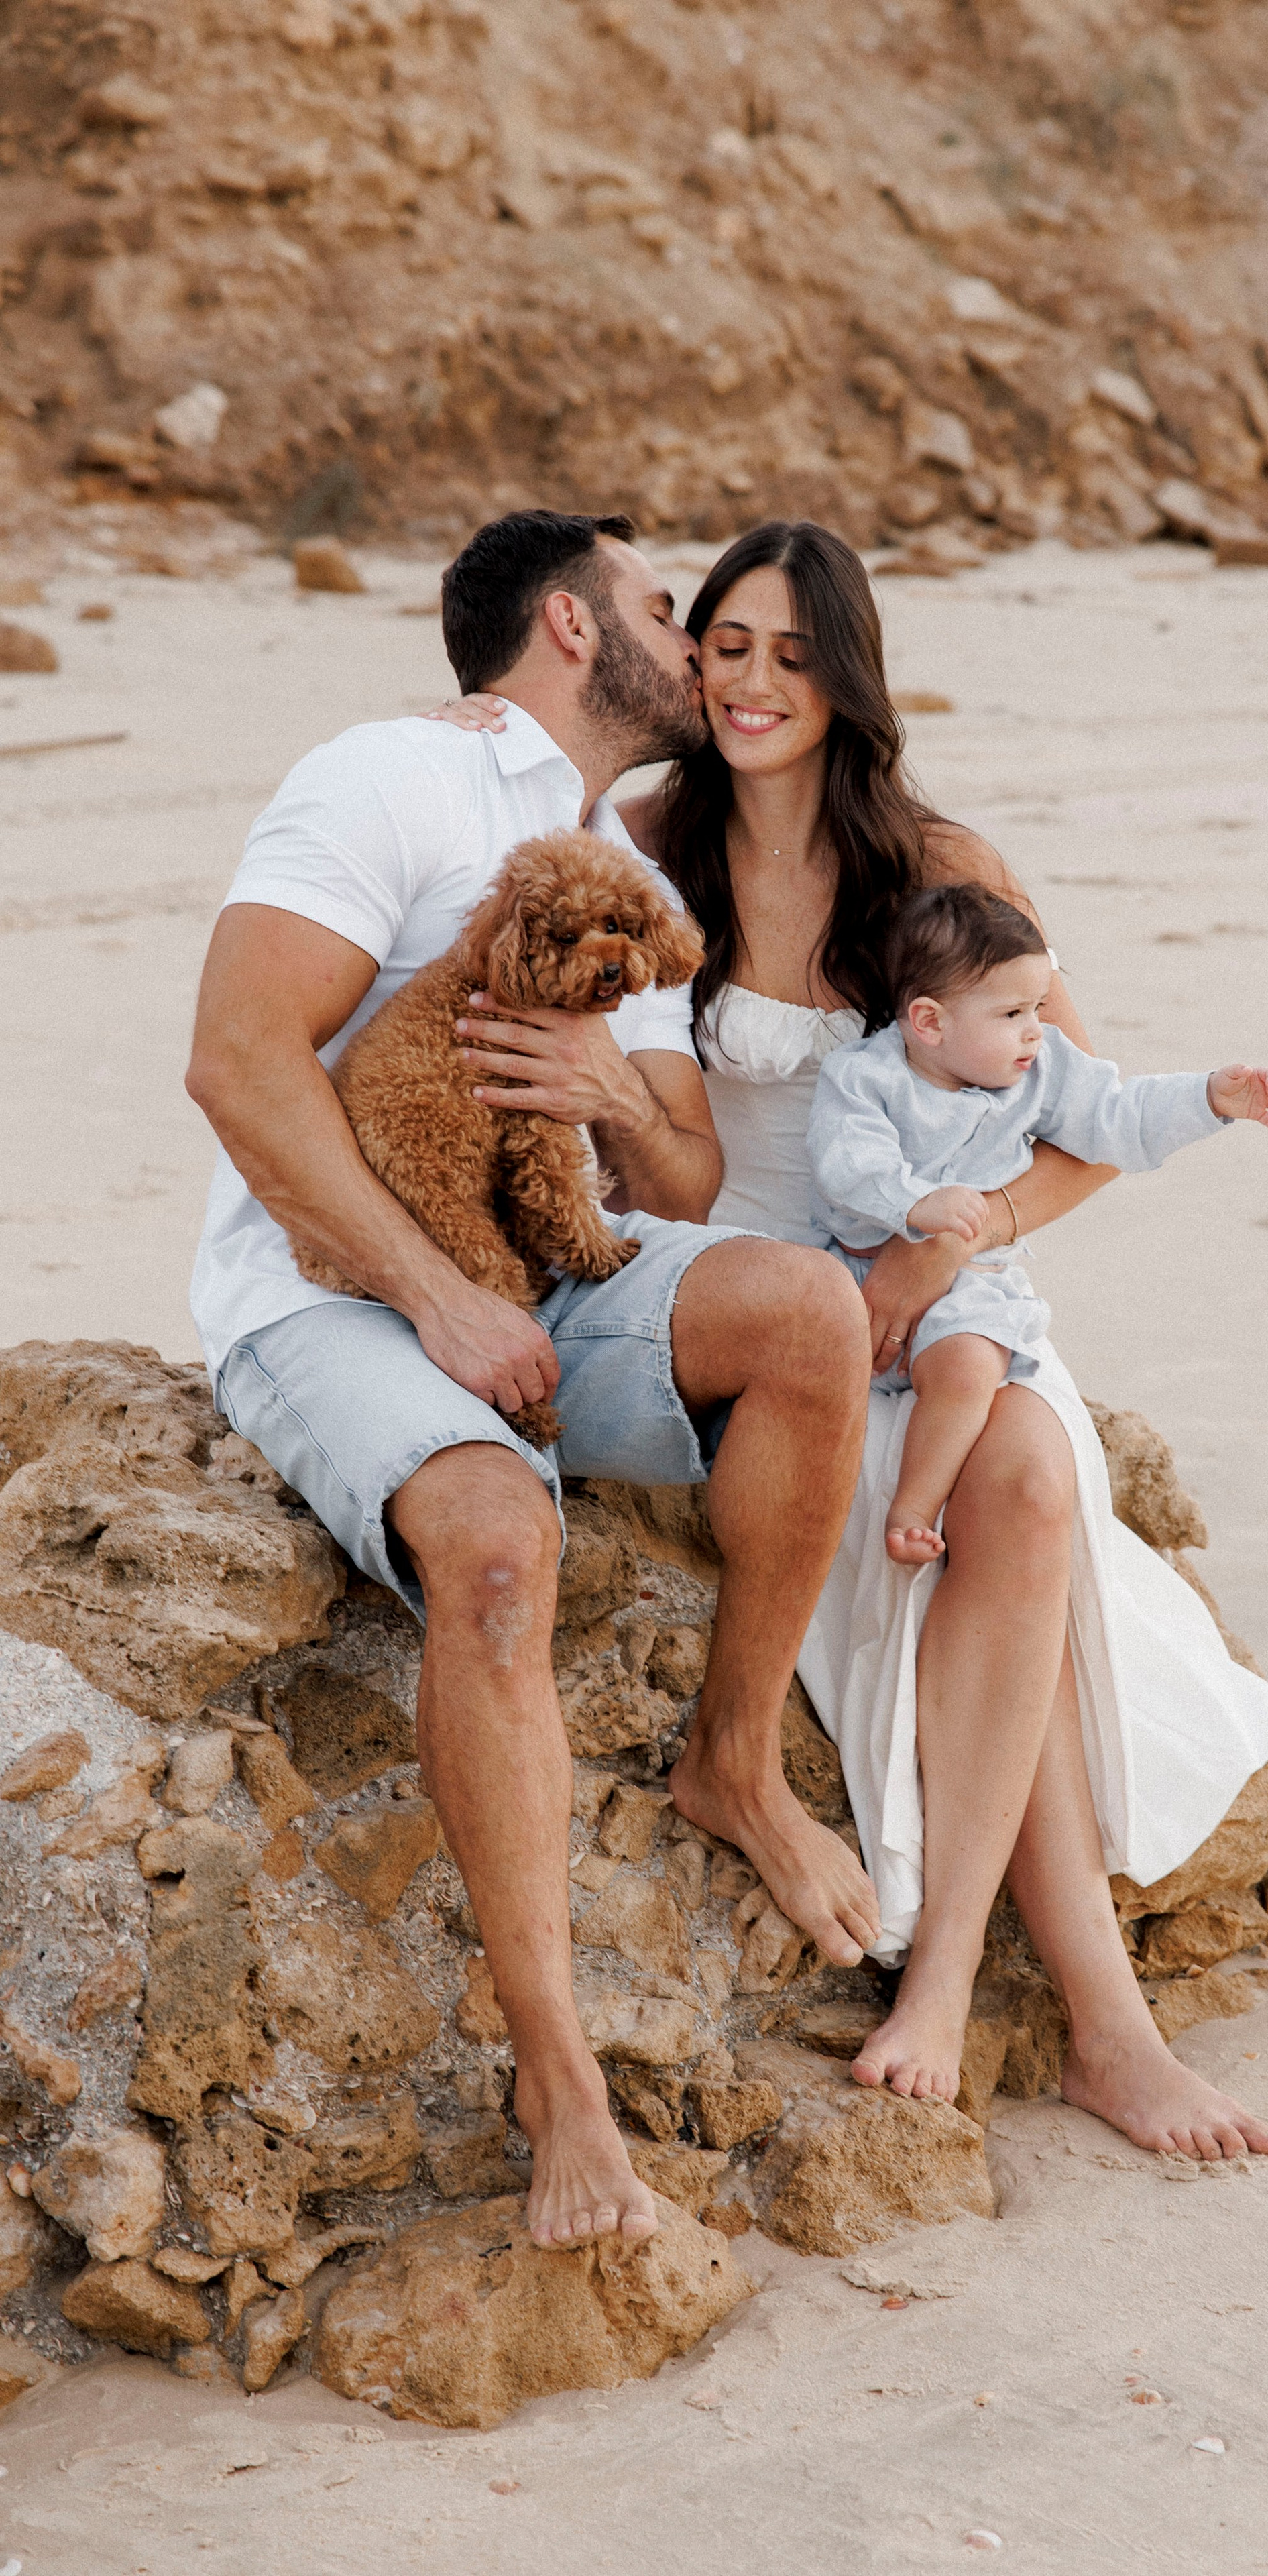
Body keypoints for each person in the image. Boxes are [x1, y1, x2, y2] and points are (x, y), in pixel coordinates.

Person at [437, 518, 1268, 2162]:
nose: (750, 683)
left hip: (939, 1286)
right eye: (724, 645)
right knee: (977, 1502)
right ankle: (1094, 2020)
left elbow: (1081, 1121)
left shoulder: (935, 860)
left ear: (845, 675)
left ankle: (986, 1990)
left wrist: (952, 1242)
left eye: (791, 654)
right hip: (749, 1297)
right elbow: (612, 1109)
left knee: (1029, 1484)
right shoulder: (638, 843)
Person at [184, 510, 884, 2255]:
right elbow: (239, 1061)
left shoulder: (614, 869)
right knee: (501, 1546)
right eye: (666, 606)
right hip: (332, 1286)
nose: (699, 642)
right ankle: (558, 2081)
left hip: (549, 1259)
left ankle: (735, 1760)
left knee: (811, 1311)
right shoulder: (391, 778)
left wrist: (606, 1082)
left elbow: (686, 1181)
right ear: (572, 627)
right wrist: (435, 1298)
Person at [806, 879, 1268, 1565]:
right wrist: (915, 1204)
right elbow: (847, 1160)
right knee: (806, 1352)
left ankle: (913, 1507)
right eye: (1012, 1013)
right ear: (930, 1022)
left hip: (970, 1287)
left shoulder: (1041, 1068)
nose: (1036, 1028)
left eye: (1038, 1005)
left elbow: (1116, 1117)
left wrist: (1208, 1099)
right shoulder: (864, 1076)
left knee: (969, 1369)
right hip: (855, 1266)